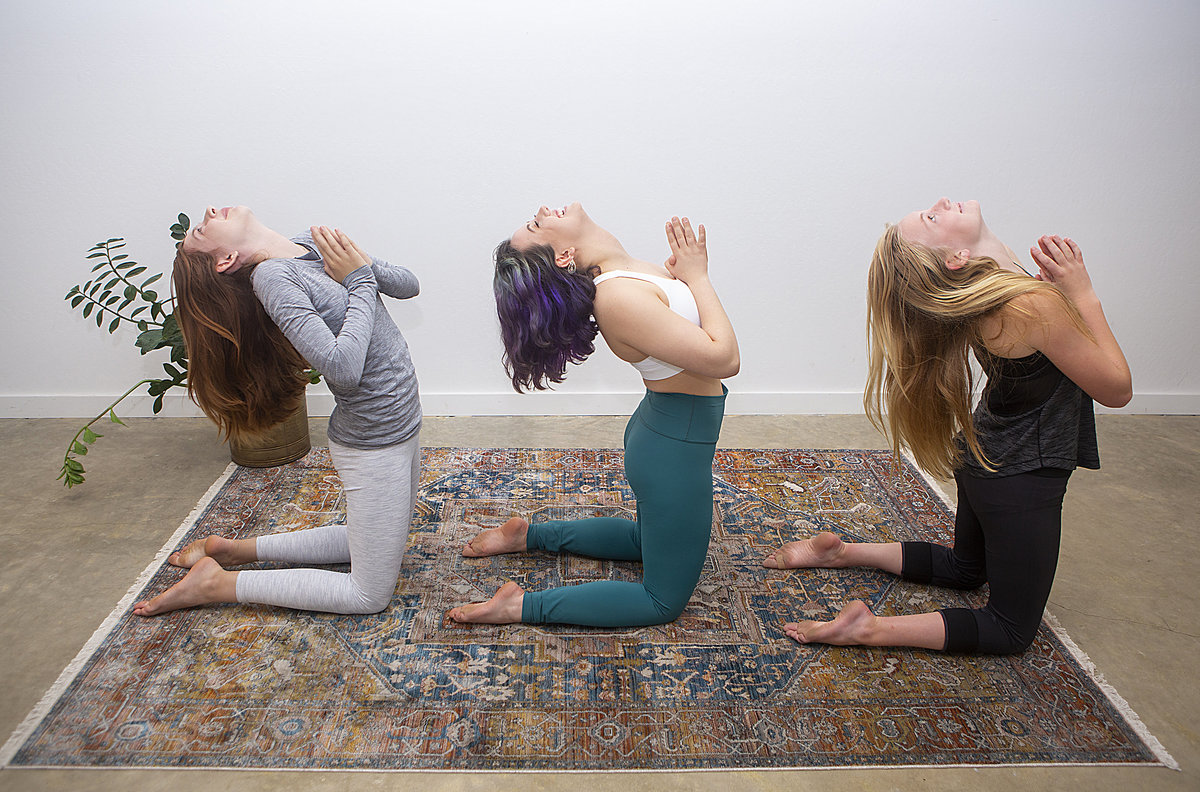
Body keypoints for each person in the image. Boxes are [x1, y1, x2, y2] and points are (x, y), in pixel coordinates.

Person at [765, 197, 1132, 654]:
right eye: (932, 218)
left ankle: (843, 552)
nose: (938, 204)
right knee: (1010, 630)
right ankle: (867, 628)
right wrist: (1082, 292)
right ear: (957, 258)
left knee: (965, 569)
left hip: (984, 457)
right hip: (1021, 477)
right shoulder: (1030, 302)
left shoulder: (998, 292)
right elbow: (1117, 390)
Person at [449, 203, 739, 626]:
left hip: (669, 431)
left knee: (645, 540)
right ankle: (520, 606)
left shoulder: (626, 273)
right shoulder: (618, 297)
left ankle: (527, 536)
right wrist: (698, 277)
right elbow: (725, 358)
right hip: (674, 449)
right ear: (564, 256)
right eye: (536, 223)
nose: (543, 211)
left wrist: (687, 277)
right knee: (662, 602)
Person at [133, 206, 422, 617]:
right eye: (202, 227)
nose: (211, 211)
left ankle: (232, 551)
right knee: (368, 595)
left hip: (402, 420)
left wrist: (361, 263)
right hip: (374, 439)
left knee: (383, 536)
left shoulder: (309, 242)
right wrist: (358, 279)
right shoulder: (274, 279)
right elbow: (342, 370)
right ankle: (218, 583)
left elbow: (409, 285)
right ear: (226, 260)